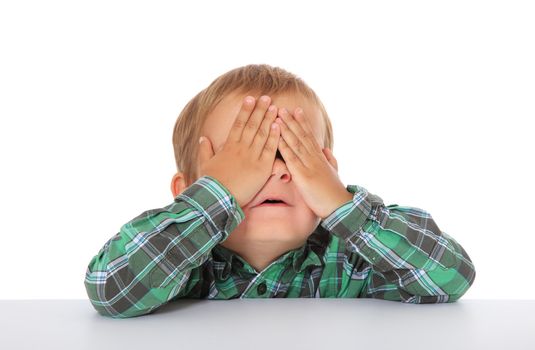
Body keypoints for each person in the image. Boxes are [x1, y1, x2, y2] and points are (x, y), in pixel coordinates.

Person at [84, 64, 476, 318]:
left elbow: (450, 276)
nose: (274, 173)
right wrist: (218, 195)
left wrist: (340, 204)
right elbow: (109, 289)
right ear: (189, 191)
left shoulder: (354, 260)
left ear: (326, 175)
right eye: (242, 159)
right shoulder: (179, 260)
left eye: (293, 154)